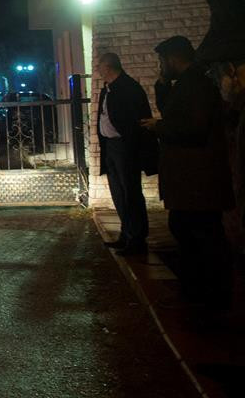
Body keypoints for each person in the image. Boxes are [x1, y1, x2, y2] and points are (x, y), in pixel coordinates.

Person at [141, 35, 234, 310]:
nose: (160, 66)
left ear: (172, 58)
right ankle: (198, 292)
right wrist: (161, 85)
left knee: (201, 235)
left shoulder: (196, 84)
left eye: (162, 60)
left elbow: (193, 128)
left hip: (198, 178)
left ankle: (209, 296)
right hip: (191, 180)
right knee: (186, 229)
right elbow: (173, 112)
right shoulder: (185, 83)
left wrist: (158, 127)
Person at [97, 52, 155, 255]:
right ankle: (126, 233)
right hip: (111, 145)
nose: (98, 70)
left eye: (100, 66)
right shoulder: (108, 89)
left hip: (125, 146)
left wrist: (131, 142)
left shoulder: (128, 88)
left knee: (130, 192)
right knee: (119, 192)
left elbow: (135, 119)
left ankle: (137, 238)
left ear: (108, 67)